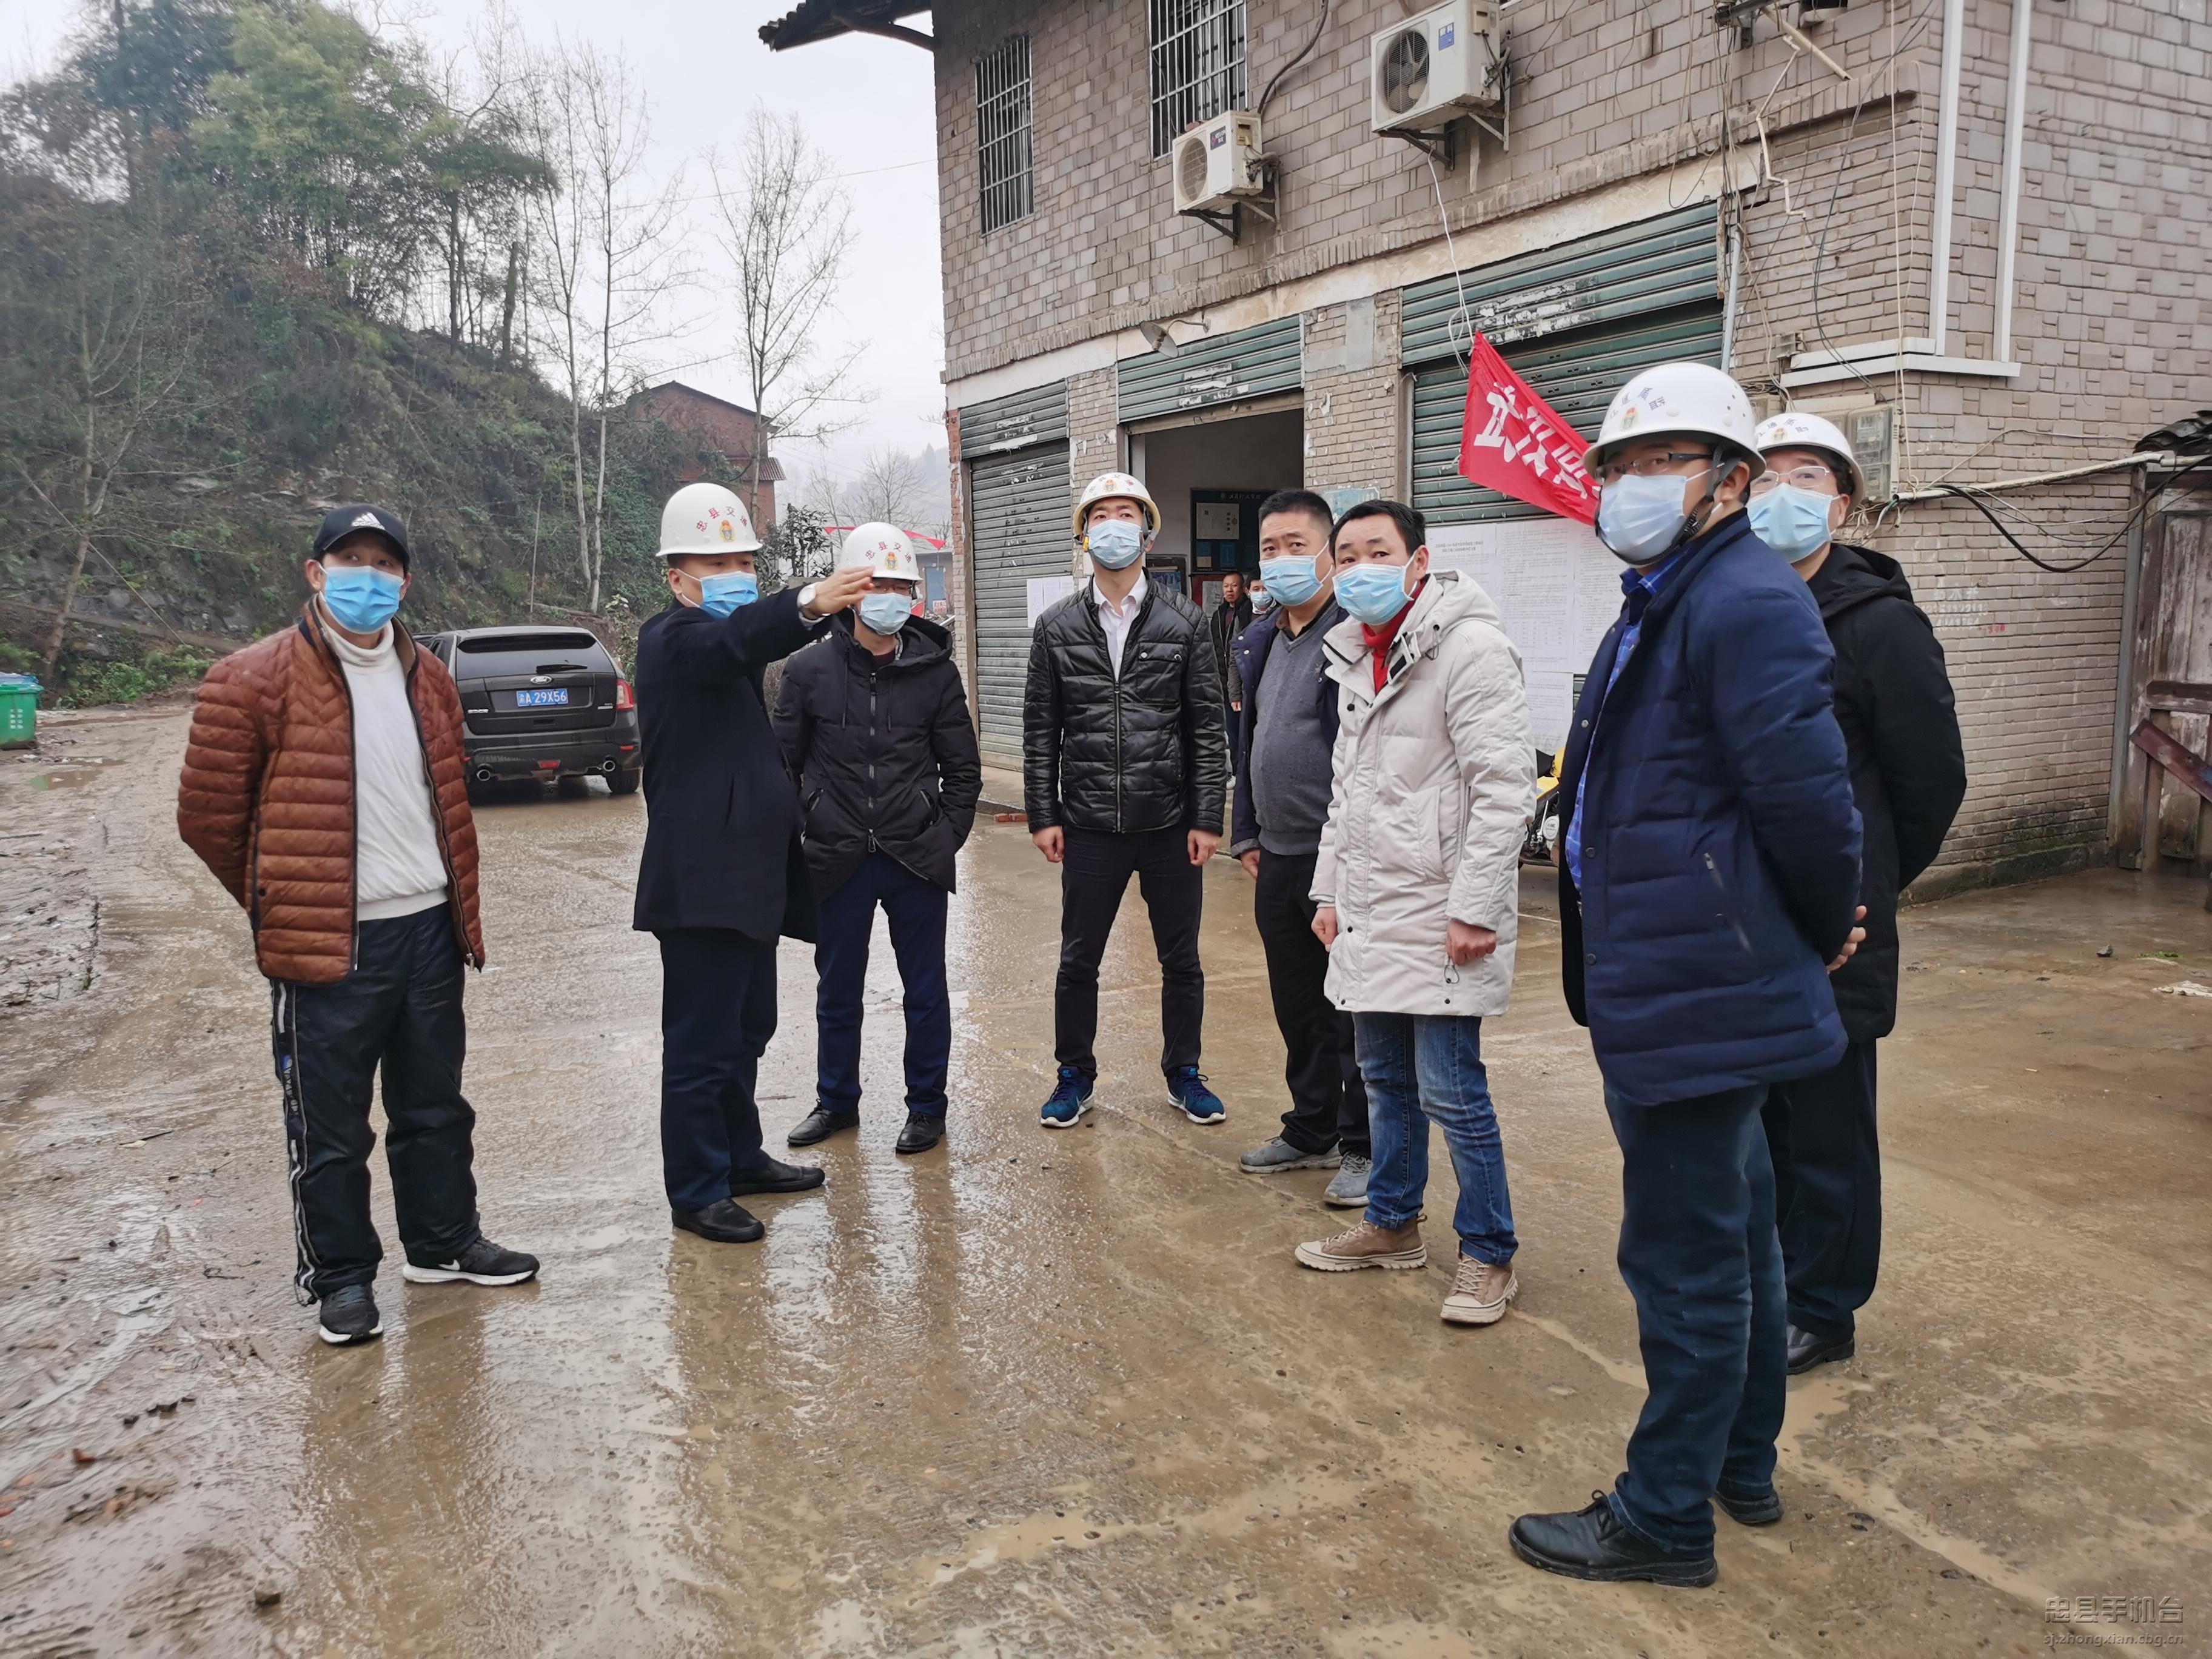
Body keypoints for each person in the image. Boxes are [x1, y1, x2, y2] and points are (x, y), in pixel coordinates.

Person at [1510, 364, 1865, 1588]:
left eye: (1661, 461)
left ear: (1728, 481)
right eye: (1617, 465)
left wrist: (1818, 927)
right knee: (1740, 1232)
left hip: (1699, 981)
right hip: (1676, 974)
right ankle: (1740, 1462)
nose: (1630, 485)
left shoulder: (1743, 600)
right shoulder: (1670, 595)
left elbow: (1809, 802)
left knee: (1685, 1261)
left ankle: (1662, 1516)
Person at [176, 505, 537, 1347]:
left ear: (404, 582)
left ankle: (442, 1244)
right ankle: (340, 1278)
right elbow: (207, 819)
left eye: (384, 564)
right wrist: (285, 902)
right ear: (316, 573)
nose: (367, 578)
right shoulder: (250, 679)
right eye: (350, 560)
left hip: (430, 932)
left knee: (435, 1107)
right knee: (331, 1128)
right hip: (329, 947)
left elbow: (446, 799)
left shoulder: (430, 678)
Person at [1747, 412, 1966, 1375]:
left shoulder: (1880, 625)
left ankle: (1823, 1308)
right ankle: (1769, 1279)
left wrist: (1864, 882)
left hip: (1839, 923)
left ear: (1841, 506)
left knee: (1827, 1127)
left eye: (1805, 478)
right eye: (1762, 478)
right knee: (1758, 1121)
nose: (1780, 496)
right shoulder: (1737, 612)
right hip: (1744, 919)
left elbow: (1931, 782)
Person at [1292, 501, 1535, 1329]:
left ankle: (1490, 1250)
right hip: (1374, 908)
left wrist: (1474, 909)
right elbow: (1347, 796)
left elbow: (1506, 792)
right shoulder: (1358, 655)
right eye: (1347, 555)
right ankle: (1393, 1222)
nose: (1360, 568)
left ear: (1418, 563)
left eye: (1378, 552)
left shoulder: (1471, 649)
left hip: (1441, 913)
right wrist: (1328, 892)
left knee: (1451, 1091)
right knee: (1385, 1080)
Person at [632, 483, 873, 1245]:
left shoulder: (720, 650)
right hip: (702, 887)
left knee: (746, 1031)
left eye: (744, 562)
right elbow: (738, 640)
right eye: (717, 564)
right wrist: (808, 602)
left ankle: (738, 1158)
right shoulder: (673, 640)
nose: (735, 574)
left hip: (746, 882)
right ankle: (697, 1190)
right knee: (701, 1046)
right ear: (678, 578)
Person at [1024, 472, 1231, 1129]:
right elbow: (1040, 729)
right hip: (1088, 825)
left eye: (1126, 514)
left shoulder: (1185, 621)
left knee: (1182, 960)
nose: (1113, 525)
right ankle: (1074, 1076)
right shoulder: (1056, 626)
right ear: (1085, 536)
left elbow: (1206, 726)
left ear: (1146, 532)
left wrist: (1207, 817)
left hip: (1168, 823)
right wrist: (1043, 814)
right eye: (1100, 516)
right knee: (1077, 960)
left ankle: (1184, 1073)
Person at [775, 523, 982, 1157]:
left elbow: (963, 769)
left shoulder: (935, 673)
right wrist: (807, 827)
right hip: (836, 857)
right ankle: (836, 1102)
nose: (889, 597)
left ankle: (926, 1108)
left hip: (914, 856)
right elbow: (783, 765)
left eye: (900, 586)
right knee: (837, 992)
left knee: (926, 992)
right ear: (851, 591)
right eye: (876, 584)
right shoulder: (807, 670)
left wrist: (943, 837)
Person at [1230, 491, 1372, 1209]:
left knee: (1353, 1011)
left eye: (1296, 545)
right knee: (1298, 1006)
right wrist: (1246, 831)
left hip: (1339, 857)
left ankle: (1364, 1145)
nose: (1281, 559)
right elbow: (1249, 741)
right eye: (1270, 548)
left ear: (1327, 555)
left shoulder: (1356, 635)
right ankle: (1311, 1126)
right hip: (1278, 854)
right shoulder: (1259, 639)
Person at [1210, 569, 1255, 724]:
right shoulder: (1218, 615)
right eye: (1226, 586)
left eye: (1234, 586)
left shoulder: (1248, 613)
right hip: (1223, 684)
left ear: (1243, 588)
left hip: (1243, 682)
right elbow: (1214, 647)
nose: (1229, 590)